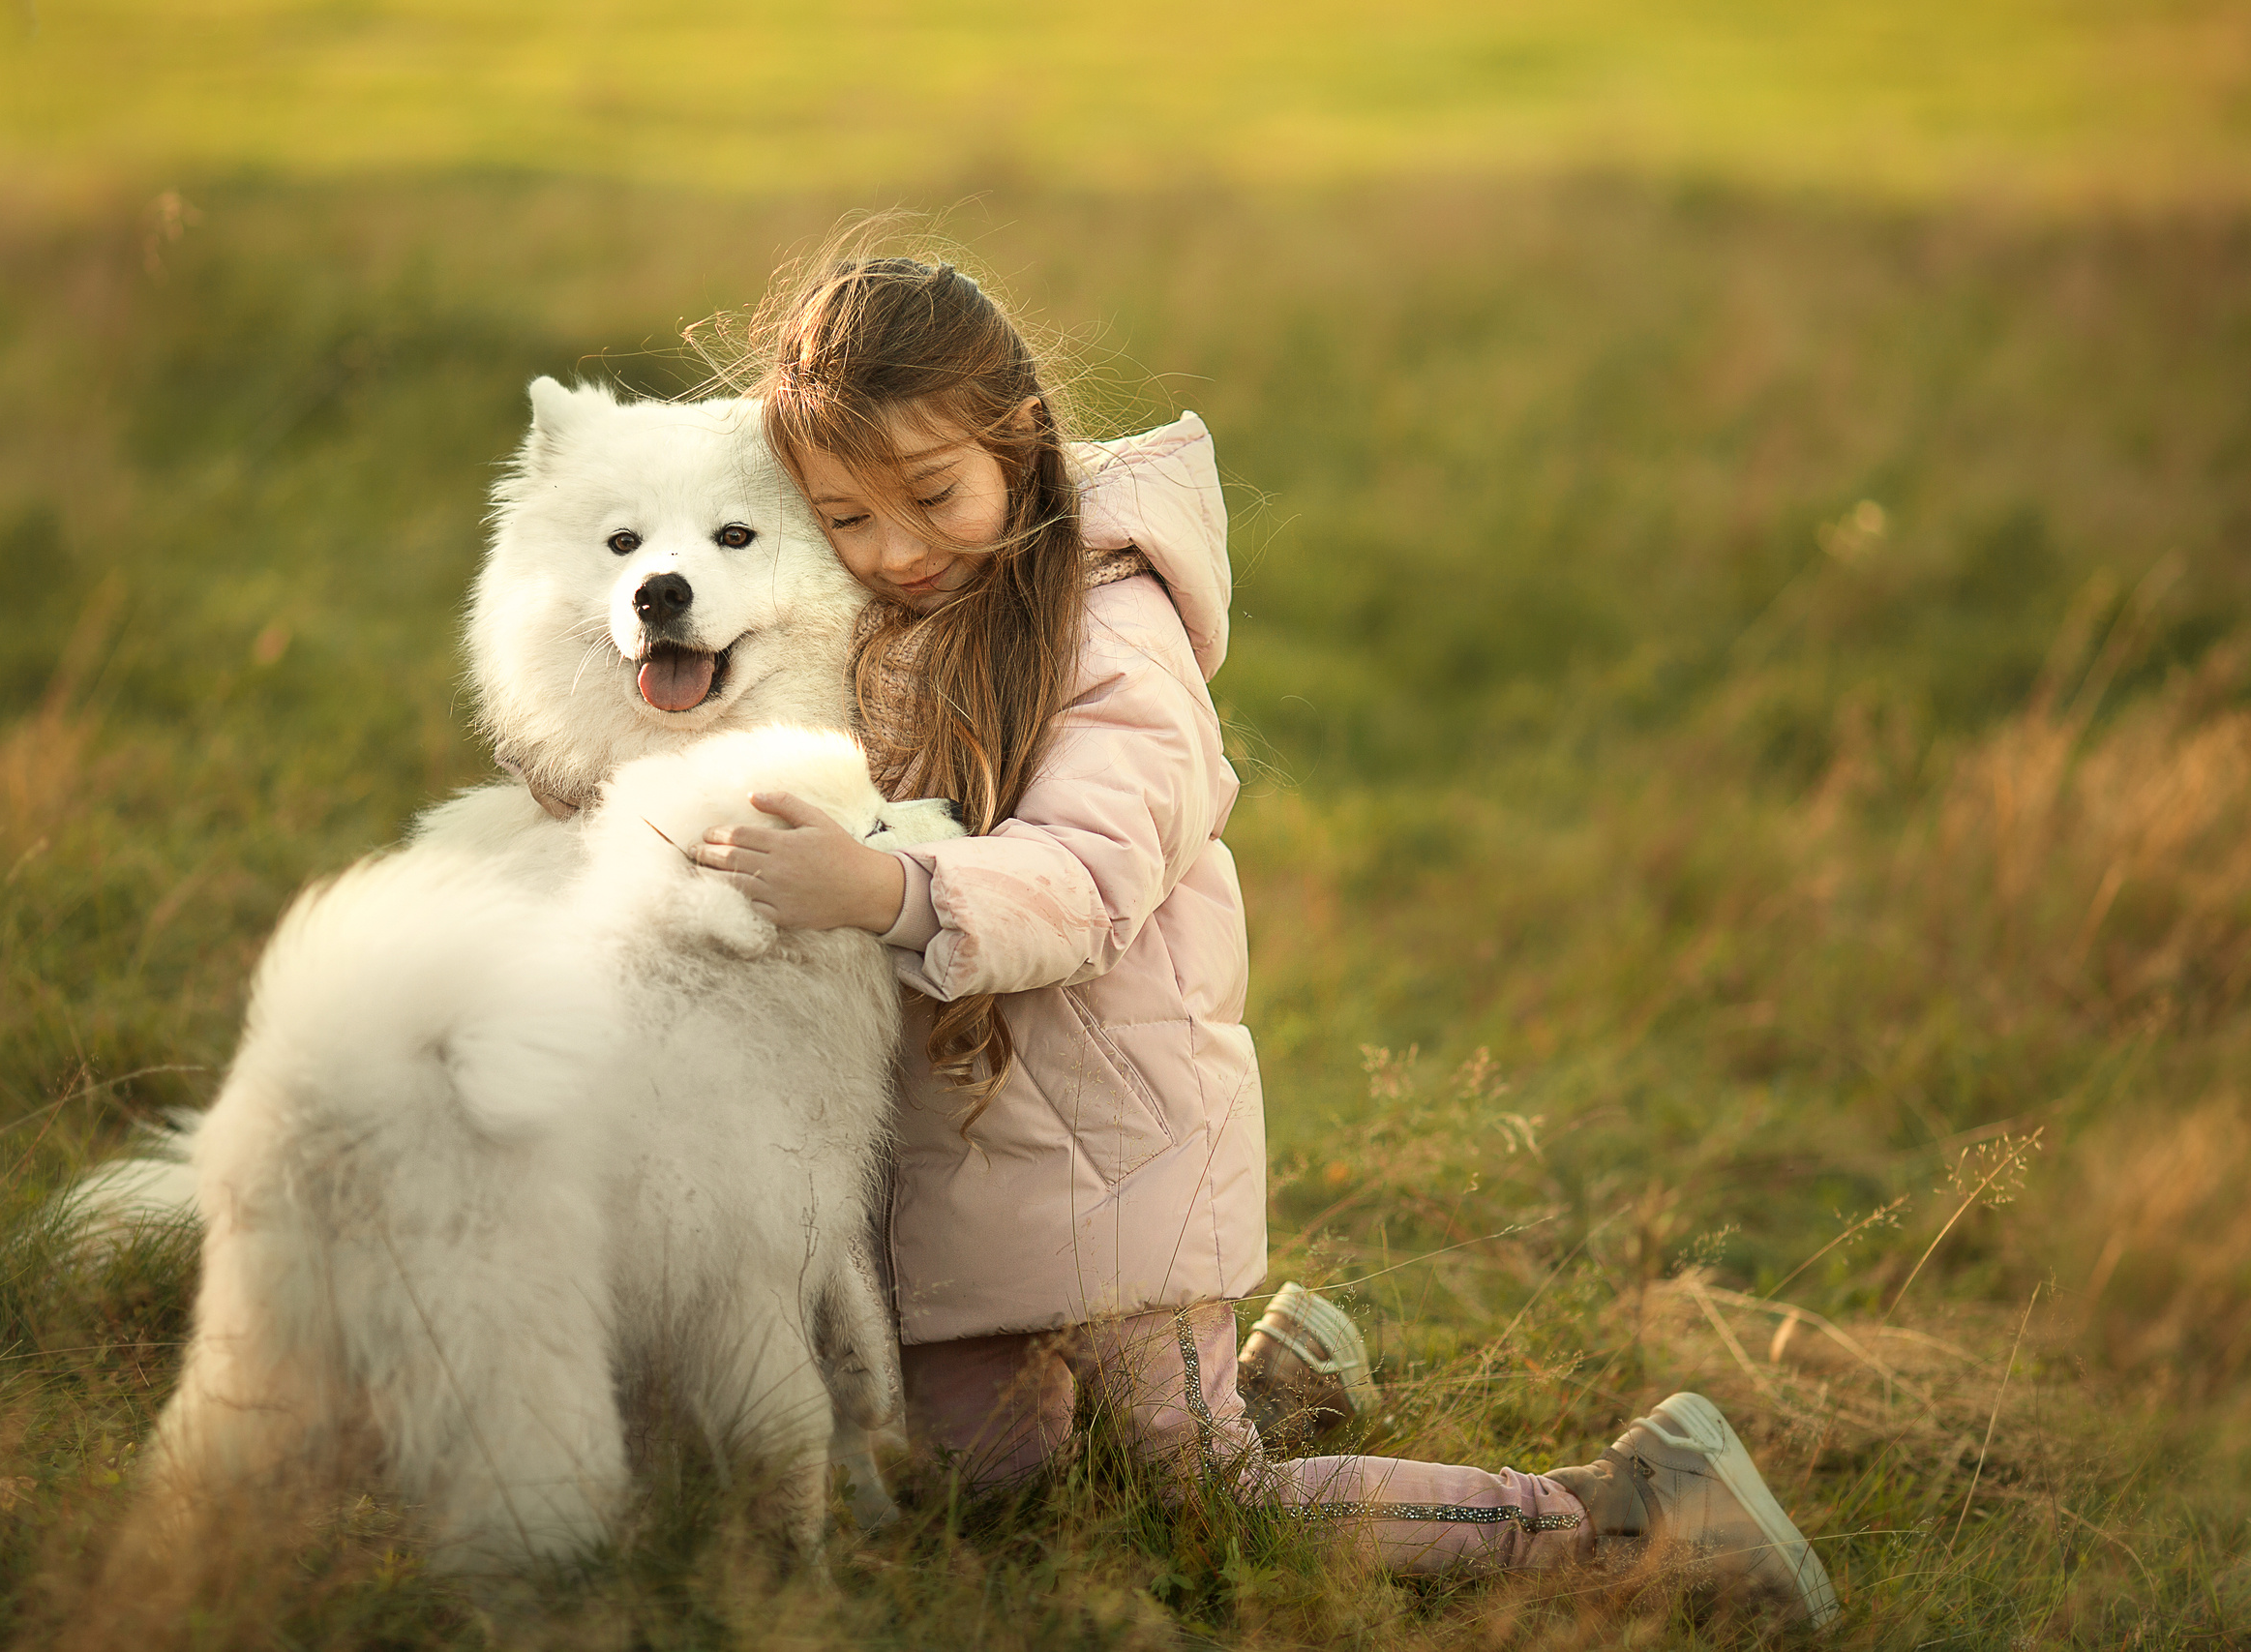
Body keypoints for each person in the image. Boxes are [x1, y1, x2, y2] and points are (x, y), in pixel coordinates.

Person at [684, 250, 1835, 1627]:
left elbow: (1092, 877)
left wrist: (883, 897)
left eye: (933, 496)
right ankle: (1291, 1380)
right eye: (847, 519)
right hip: (955, 1159)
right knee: (992, 1494)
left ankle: (1627, 1516)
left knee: (1199, 1497)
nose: (900, 548)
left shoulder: (1110, 634)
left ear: (1021, 441)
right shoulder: (864, 627)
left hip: (1116, 1137)